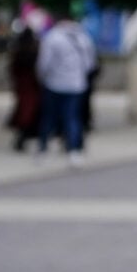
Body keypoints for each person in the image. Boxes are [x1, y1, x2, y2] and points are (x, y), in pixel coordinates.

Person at [36, 11, 99, 166]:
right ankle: (74, 151)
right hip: (77, 85)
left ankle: (43, 149)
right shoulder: (83, 37)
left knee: (49, 118)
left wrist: (43, 78)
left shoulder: (52, 38)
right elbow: (90, 63)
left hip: (54, 84)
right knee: (72, 118)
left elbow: (44, 63)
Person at [6, 21, 43, 153]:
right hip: (31, 85)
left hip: (23, 85)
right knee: (27, 111)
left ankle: (22, 137)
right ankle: (23, 136)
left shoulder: (20, 51)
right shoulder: (34, 50)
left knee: (24, 110)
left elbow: (13, 69)